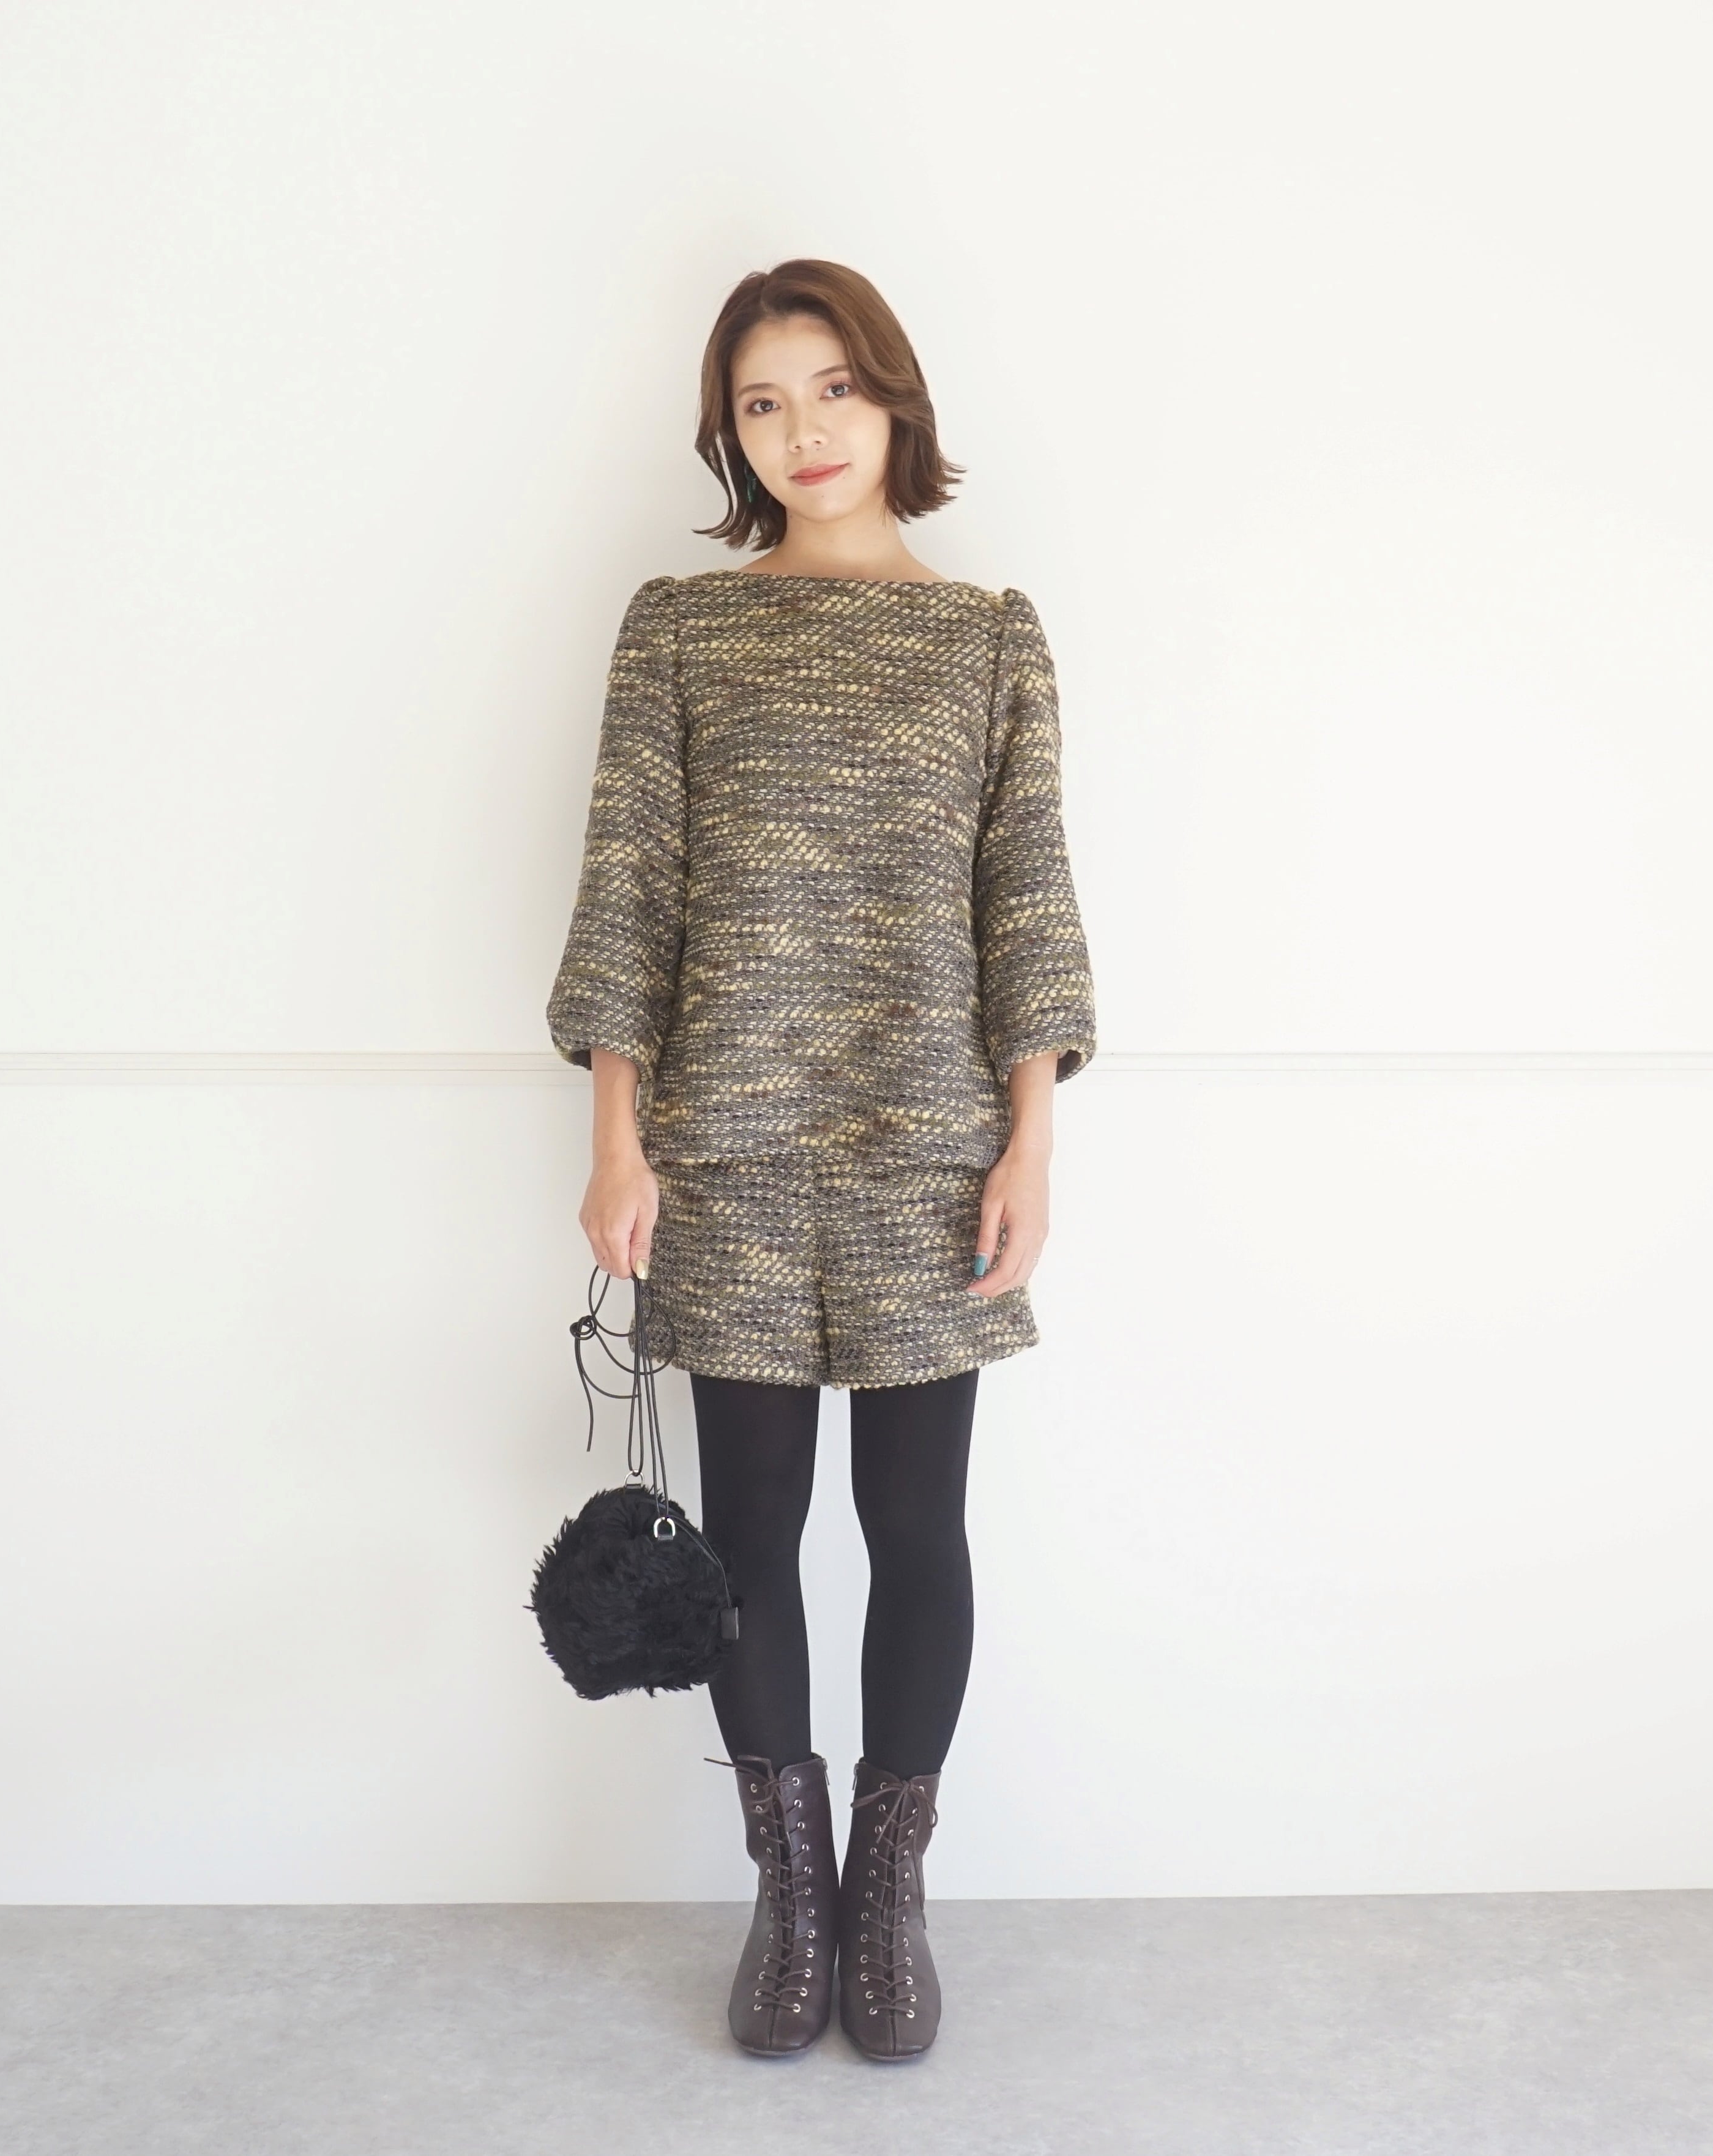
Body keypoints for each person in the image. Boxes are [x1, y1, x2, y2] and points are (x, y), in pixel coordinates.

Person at [544, 258, 1097, 2062]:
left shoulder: (988, 636)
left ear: (895, 400)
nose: (806, 432)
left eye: (835, 390)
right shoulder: (680, 631)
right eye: (764, 404)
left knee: (915, 1526)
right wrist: (616, 1136)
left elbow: (1025, 902)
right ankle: (792, 1902)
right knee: (756, 1531)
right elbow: (630, 888)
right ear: (732, 435)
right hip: (728, 1150)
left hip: (930, 1149)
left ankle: (887, 1902)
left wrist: (1031, 1142)